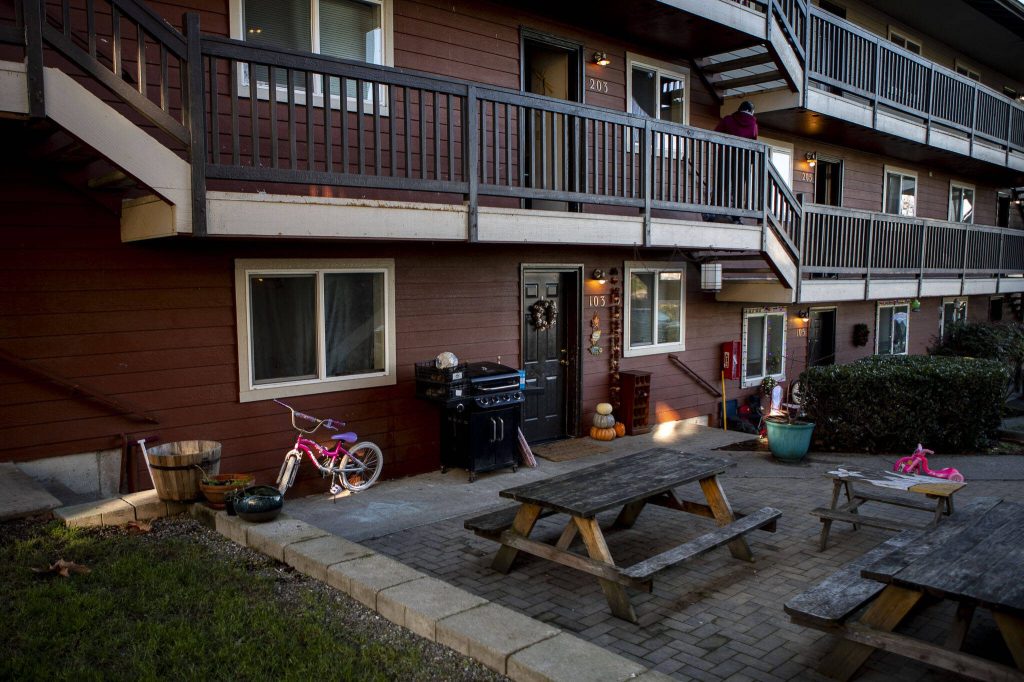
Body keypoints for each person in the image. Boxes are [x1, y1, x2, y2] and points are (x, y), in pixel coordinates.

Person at [704, 101, 758, 222]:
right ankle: (736, 216)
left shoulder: (728, 120)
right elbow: (754, 143)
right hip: (744, 160)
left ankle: (713, 212)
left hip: (725, 158)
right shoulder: (753, 124)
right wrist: (751, 162)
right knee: (738, 188)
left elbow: (715, 134)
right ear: (750, 111)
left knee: (720, 184)